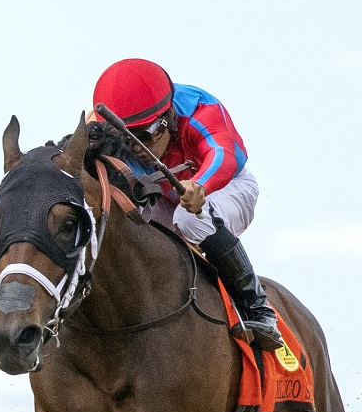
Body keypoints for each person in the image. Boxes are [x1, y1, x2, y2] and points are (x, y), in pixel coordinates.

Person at [91, 58, 282, 350]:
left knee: (189, 218)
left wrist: (200, 184)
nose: (137, 150)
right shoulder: (102, 120)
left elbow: (225, 153)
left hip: (228, 187)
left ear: (167, 117)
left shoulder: (201, 110)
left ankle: (257, 307)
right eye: (127, 140)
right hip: (166, 197)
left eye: (144, 136)